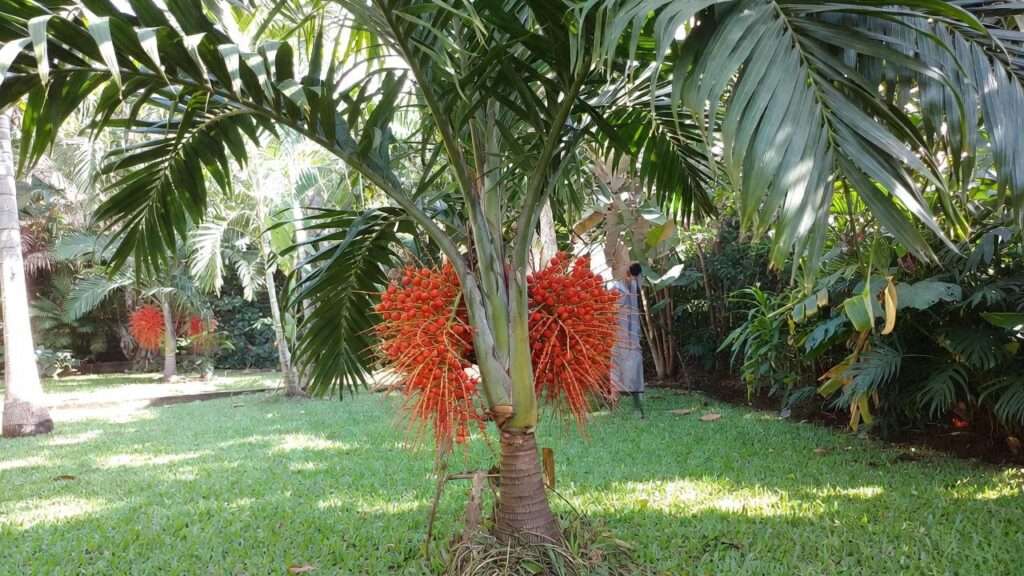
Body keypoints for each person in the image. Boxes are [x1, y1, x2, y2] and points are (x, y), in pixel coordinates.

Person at [611, 262, 645, 418]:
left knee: (636, 368)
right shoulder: (615, 288)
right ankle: (614, 405)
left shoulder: (634, 284)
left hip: (633, 337)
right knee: (616, 370)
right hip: (618, 337)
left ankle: (638, 406)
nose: (633, 277)